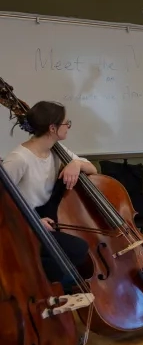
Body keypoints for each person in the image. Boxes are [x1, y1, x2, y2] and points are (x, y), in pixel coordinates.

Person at [1, 101, 94, 285]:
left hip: (48, 218)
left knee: (79, 248)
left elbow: (93, 169)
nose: (69, 127)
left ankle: (51, 286)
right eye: (67, 123)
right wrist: (34, 221)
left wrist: (76, 164)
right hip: (24, 224)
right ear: (53, 128)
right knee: (78, 248)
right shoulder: (19, 159)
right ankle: (31, 284)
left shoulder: (56, 151)